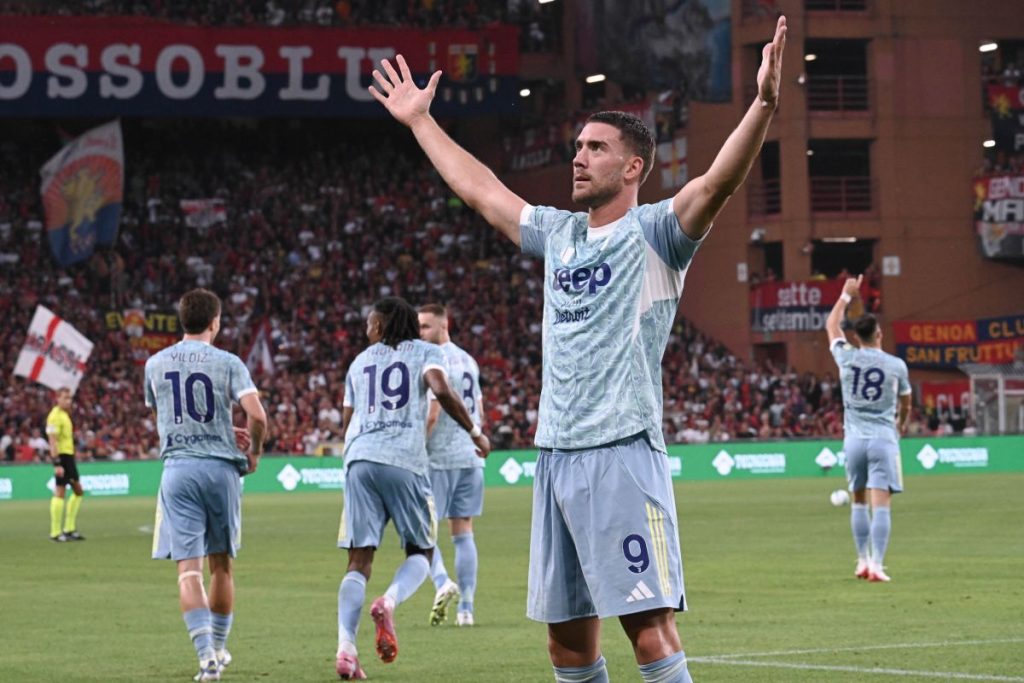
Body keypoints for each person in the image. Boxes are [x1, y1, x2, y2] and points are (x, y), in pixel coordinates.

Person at [370, 15, 786, 683]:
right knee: (567, 645)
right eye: (577, 146)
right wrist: (421, 121)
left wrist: (762, 105)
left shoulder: (656, 234)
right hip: (556, 453)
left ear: (633, 166)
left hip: (622, 450)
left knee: (649, 631)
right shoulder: (559, 234)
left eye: (595, 147)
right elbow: (481, 192)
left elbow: (716, 183)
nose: (578, 156)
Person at [335, 297, 490, 680]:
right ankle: (389, 601)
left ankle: (346, 649)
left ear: (381, 325)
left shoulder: (359, 362)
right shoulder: (426, 353)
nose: (367, 329)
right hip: (405, 459)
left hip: (359, 459)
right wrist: (475, 432)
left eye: (370, 323)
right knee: (421, 550)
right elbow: (442, 391)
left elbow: (347, 420)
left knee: (358, 561)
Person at [146, 288, 268, 682]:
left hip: (179, 469)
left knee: (188, 572)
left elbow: (168, 415)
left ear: (182, 320)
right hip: (220, 471)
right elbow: (258, 417)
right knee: (222, 567)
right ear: (215, 322)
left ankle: (206, 660)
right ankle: (218, 646)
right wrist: (254, 453)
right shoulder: (228, 362)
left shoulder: (155, 363)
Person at [825, 276, 912, 583]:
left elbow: (831, 325)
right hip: (883, 438)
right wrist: (901, 424)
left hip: (854, 440)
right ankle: (877, 564)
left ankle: (861, 560)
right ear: (879, 334)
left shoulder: (846, 358)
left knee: (858, 500)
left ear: (856, 337)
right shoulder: (896, 365)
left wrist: (845, 295)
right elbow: (906, 403)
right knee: (881, 504)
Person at [418, 303, 485, 627]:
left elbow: (433, 413)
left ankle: (443, 581)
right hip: (470, 456)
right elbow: (479, 409)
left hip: (439, 458)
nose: (420, 333)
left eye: (425, 326)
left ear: (443, 326)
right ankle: (466, 609)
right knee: (463, 530)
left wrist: (417, 447)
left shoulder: (434, 360)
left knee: (421, 531)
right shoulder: (469, 360)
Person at [47, 387, 84, 542]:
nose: (68, 401)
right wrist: (56, 463)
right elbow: (52, 440)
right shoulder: (54, 416)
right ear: (57, 399)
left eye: (70, 398)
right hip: (61, 457)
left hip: (69, 456)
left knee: (78, 491)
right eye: (65, 398)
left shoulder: (65, 415)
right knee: (60, 492)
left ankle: (69, 528)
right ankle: (55, 532)